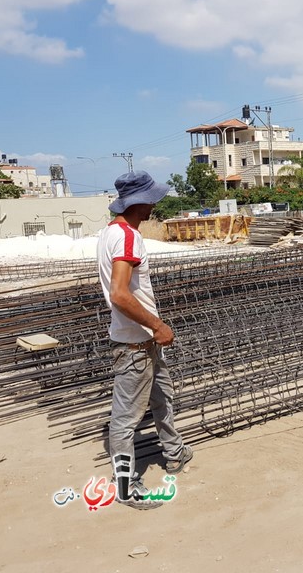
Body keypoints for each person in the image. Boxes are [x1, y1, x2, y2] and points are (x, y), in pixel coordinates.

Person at [97, 170, 193, 509]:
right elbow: (120, 294)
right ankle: (126, 486)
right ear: (140, 203)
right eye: (151, 199)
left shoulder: (110, 233)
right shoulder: (126, 237)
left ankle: (175, 451)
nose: (154, 204)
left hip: (143, 342)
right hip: (134, 344)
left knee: (162, 398)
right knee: (125, 420)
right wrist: (158, 326)